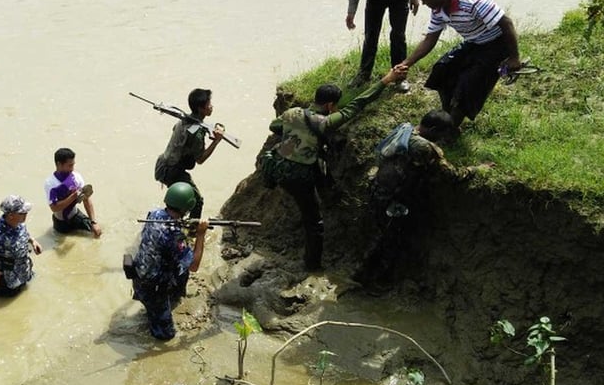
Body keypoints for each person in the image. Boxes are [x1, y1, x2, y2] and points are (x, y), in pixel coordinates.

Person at [260, 66, 407, 271]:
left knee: (317, 179)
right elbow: (359, 103)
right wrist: (386, 80)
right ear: (330, 105)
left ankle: (327, 194)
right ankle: (312, 266)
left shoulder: (292, 113)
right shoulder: (326, 122)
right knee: (315, 223)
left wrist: (294, 134)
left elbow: (274, 126)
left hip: (280, 169)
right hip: (300, 176)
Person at [397, 0, 522, 127]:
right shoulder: (438, 8)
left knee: (469, 83)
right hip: (474, 42)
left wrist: (514, 57)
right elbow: (430, 39)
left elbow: (506, 24)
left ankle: (450, 127)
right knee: (441, 70)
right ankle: (447, 117)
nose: (423, 4)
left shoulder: (474, 3)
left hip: (496, 44)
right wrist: (406, 63)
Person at [360, 110, 459, 290]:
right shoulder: (424, 148)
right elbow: (451, 175)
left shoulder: (404, 130)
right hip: (394, 200)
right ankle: (378, 283)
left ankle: (361, 272)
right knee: (391, 240)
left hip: (377, 190)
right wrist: (477, 168)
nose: (443, 138)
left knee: (379, 234)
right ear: (434, 129)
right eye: (442, 134)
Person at [129, 182, 209, 341]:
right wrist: (200, 234)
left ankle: (169, 298)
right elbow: (194, 266)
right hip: (152, 290)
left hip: (138, 276)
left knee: (180, 265)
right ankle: (157, 310)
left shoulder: (154, 214)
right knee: (167, 336)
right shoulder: (174, 235)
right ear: (187, 206)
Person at [153, 88, 224, 219]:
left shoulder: (183, 120)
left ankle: (177, 225)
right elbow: (200, 159)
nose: (211, 106)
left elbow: (178, 132)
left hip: (163, 166)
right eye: (209, 104)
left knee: (177, 203)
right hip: (174, 171)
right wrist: (216, 142)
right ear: (200, 108)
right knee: (196, 201)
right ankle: (192, 233)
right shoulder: (197, 132)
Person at [44, 147, 102, 238]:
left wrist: (93, 222)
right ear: (59, 164)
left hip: (75, 216)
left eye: (73, 165)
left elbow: (87, 199)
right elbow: (54, 208)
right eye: (70, 165)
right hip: (61, 223)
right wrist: (73, 196)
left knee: (98, 233)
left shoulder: (76, 177)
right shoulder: (51, 183)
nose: (72, 168)